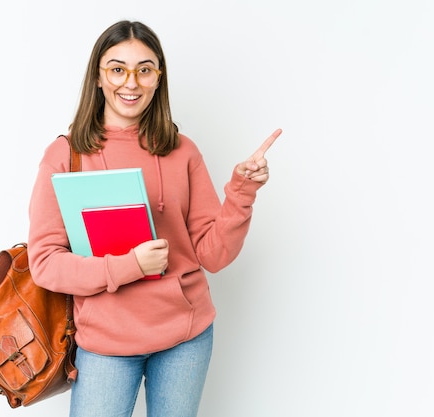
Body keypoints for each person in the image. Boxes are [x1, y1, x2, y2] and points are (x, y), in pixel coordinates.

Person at [28, 20, 281, 417]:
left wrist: (242, 192)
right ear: (98, 76)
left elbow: (213, 256)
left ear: (158, 78)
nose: (131, 82)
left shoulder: (182, 151)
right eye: (117, 68)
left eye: (145, 69)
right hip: (106, 343)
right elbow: (44, 264)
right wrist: (129, 266)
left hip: (185, 337)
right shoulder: (65, 156)